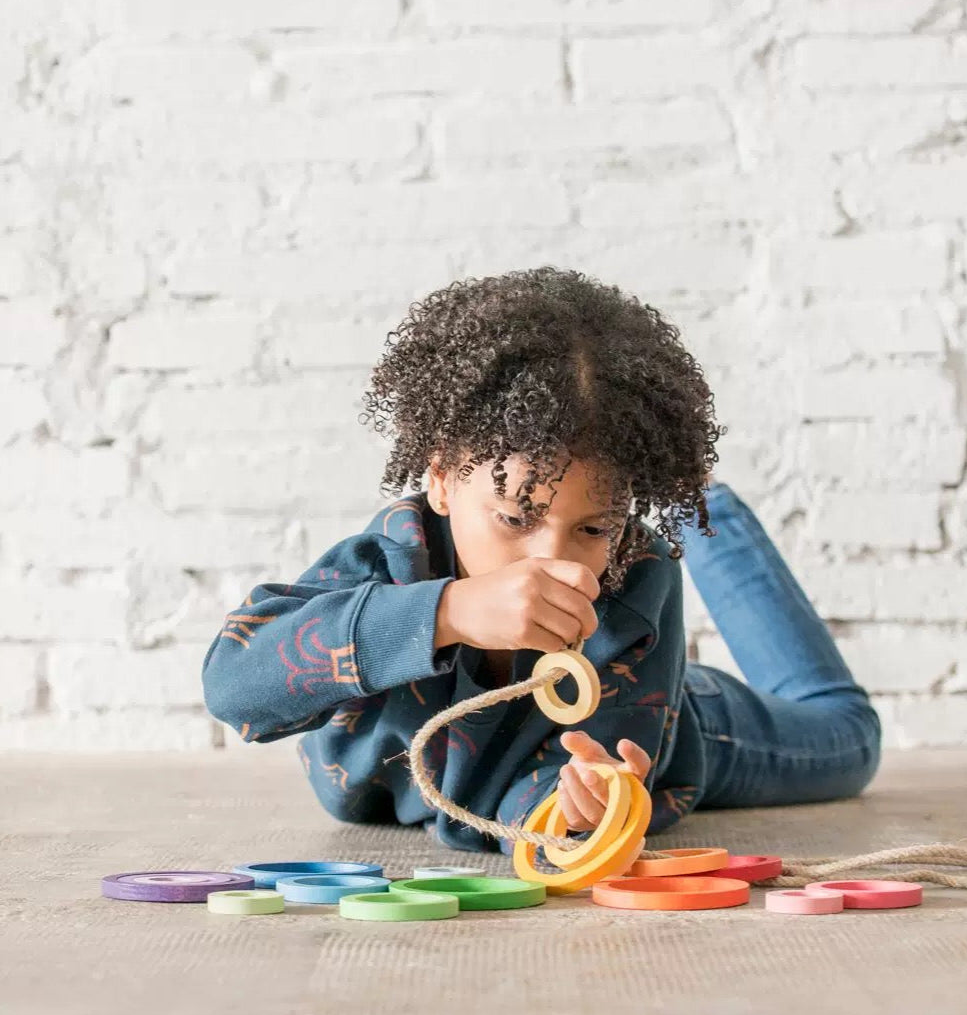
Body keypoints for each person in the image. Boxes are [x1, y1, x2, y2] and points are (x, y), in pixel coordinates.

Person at [202, 267, 881, 854]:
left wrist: (575, 808)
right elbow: (235, 685)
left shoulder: (637, 576)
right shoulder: (393, 556)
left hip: (683, 722)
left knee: (849, 738)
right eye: (515, 518)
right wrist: (446, 612)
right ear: (440, 478)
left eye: (593, 527)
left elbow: (552, 799)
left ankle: (708, 512)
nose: (557, 563)